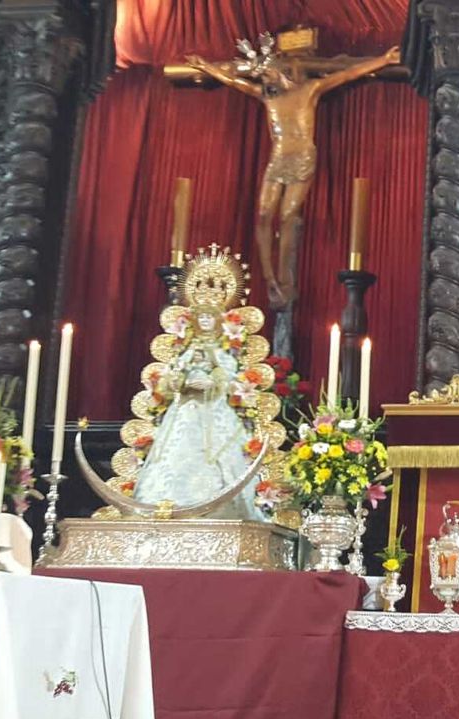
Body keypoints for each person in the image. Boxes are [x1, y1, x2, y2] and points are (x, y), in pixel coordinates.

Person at [185, 37, 400, 324]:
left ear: (280, 71)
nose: (263, 77)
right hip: (278, 158)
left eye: (267, 72)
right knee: (263, 215)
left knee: (287, 215)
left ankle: (286, 281)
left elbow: (346, 74)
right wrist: (206, 66)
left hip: (301, 156)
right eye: (261, 74)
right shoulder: (267, 97)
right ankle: (270, 278)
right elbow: (234, 82)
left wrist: (383, 60)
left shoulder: (309, 90)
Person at [132, 305, 266, 521]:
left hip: (216, 408)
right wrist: (182, 383)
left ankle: (220, 507)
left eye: (209, 317)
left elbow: (229, 375)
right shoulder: (186, 347)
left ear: (218, 321)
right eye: (201, 317)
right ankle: (163, 503)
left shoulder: (225, 348)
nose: (205, 321)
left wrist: (212, 382)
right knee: (174, 450)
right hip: (186, 408)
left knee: (220, 455)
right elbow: (173, 376)